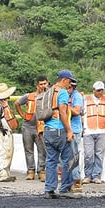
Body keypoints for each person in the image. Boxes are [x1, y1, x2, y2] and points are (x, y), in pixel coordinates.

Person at [42, 70, 78, 199]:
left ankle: (49, 189)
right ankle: (65, 188)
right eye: (69, 81)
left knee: (51, 160)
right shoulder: (62, 92)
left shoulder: (49, 91)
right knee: (68, 159)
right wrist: (69, 130)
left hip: (47, 130)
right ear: (64, 80)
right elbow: (63, 112)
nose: (70, 84)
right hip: (59, 130)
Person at [82, 80, 105, 184]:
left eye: (101, 90)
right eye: (98, 90)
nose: (100, 92)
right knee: (88, 155)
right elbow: (80, 113)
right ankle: (87, 176)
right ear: (93, 90)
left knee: (99, 155)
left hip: (102, 130)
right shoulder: (85, 100)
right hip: (88, 131)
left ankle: (96, 176)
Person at [15, 76, 48, 181]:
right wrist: (22, 115)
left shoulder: (48, 96)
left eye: (45, 84)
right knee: (29, 150)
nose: (43, 86)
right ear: (37, 85)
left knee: (42, 150)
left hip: (41, 127)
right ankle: (30, 171)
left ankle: (41, 171)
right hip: (28, 126)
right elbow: (17, 103)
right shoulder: (29, 96)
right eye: (41, 84)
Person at [0, 82, 18, 183]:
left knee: (7, 152)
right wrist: (1, 128)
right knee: (2, 153)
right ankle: (2, 174)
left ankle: (5, 174)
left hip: (5, 131)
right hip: (1, 132)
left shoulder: (2, 104)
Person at [63, 78, 85, 192]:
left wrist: (65, 106)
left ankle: (76, 182)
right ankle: (69, 182)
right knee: (66, 158)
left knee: (73, 157)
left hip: (75, 130)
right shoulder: (66, 95)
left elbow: (77, 111)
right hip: (66, 129)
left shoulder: (77, 97)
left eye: (70, 88)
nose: (68, 89)